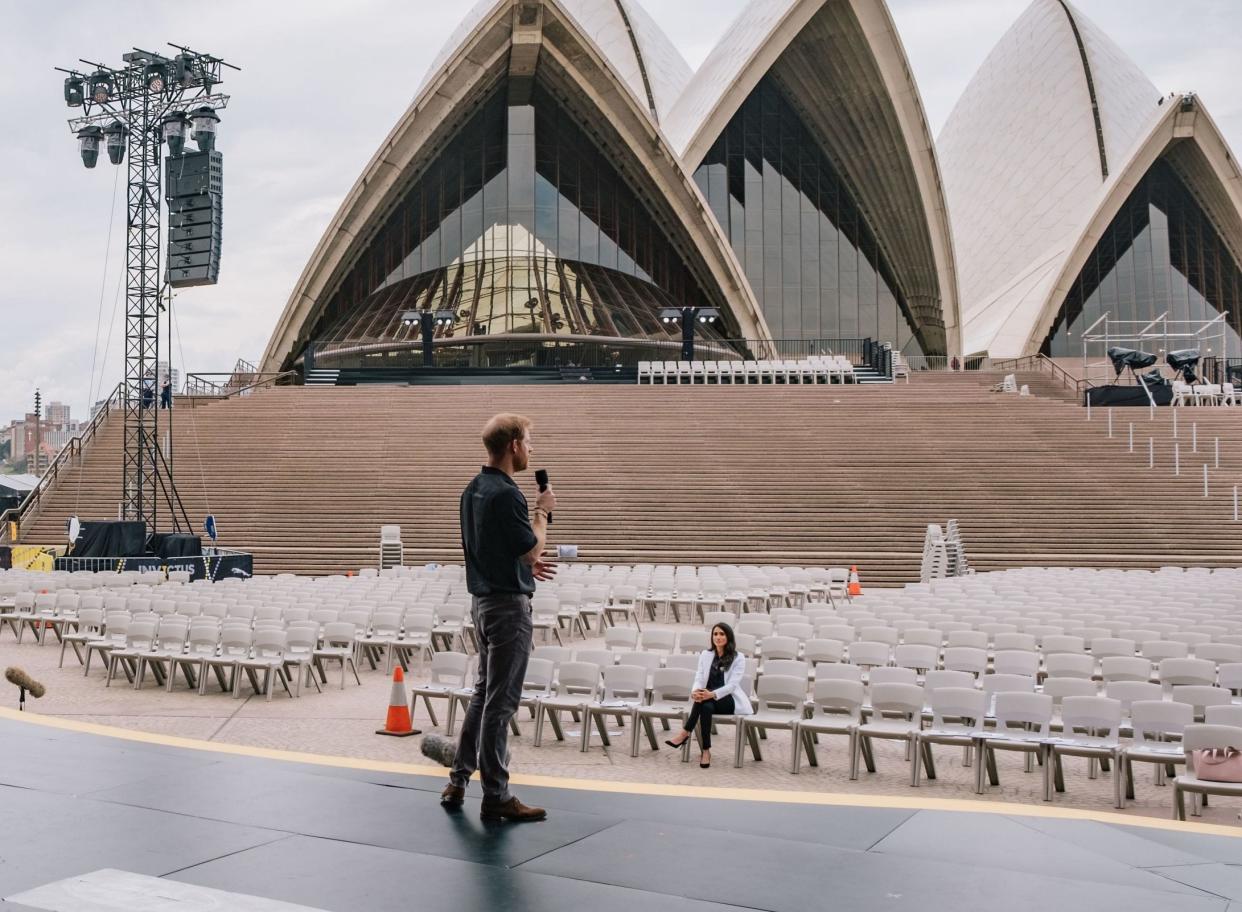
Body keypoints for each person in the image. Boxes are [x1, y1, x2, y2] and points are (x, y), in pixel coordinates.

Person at [441, 413, 557, 822]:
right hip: (507, 609)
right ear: (513, 446)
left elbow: (492, 548)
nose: (531, 449)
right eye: (529, 441)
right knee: (500, 704)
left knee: (482, 693)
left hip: (483, 602)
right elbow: (530, 548)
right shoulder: (509, 495)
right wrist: (542, 513)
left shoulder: (472, 489)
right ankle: (496, 794)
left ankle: (458, 780)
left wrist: (523, 565)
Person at [664, 623, 752, 768]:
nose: (718, 637)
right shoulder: (706, 655)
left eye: (722, 634)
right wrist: (695, 691)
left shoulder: (738, 657)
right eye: (715, 634)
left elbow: (732, 686)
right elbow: (699, 677)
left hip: (728, 700)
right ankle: (705, 751)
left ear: (728, 637)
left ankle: (685, 733)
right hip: (707, 698)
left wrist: (711, 694)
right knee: (704, 706)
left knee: (703, 702)